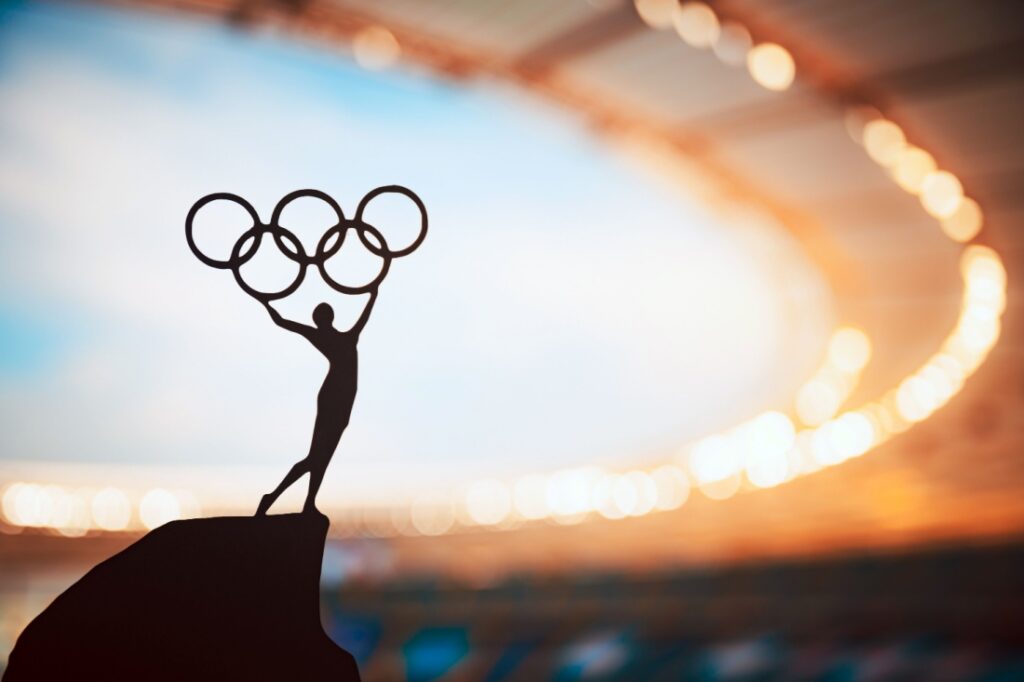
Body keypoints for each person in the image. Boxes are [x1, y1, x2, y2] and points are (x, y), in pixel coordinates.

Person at [255, 291, 377, 515]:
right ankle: (275, 497)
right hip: (334, 399)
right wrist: (373, 293)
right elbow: (282, 322)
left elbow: (281, 321)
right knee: (316, 456)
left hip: (341, 400)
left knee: (323, 456)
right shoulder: (345, 338)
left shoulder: (333, 336)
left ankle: (308, 503)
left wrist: (266, 302)